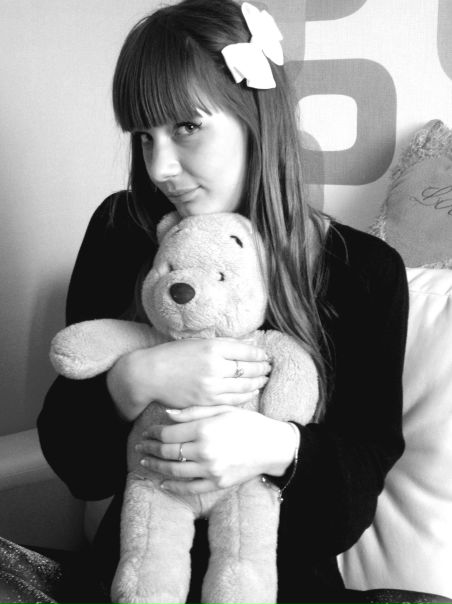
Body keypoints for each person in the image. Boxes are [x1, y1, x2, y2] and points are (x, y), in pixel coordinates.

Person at [1, 0, 449, 603]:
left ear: (254, 117)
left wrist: (271, 447)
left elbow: (350, 504)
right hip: (131, 580)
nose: (160, 167)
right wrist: (132, 380)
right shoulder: (122, 231)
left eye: (186, 127)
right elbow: (79, 468)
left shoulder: (363, 271)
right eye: (144, 136)